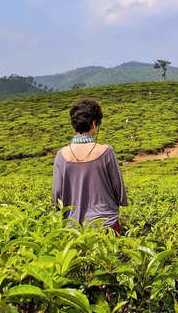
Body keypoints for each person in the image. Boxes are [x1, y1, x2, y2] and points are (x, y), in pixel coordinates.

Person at [53, 98, 127, 234]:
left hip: (73, 228)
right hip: (105, 224)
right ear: (94, 124)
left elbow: (57, 195)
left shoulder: (61, 155)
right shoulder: (106, 152)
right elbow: (119, 190)